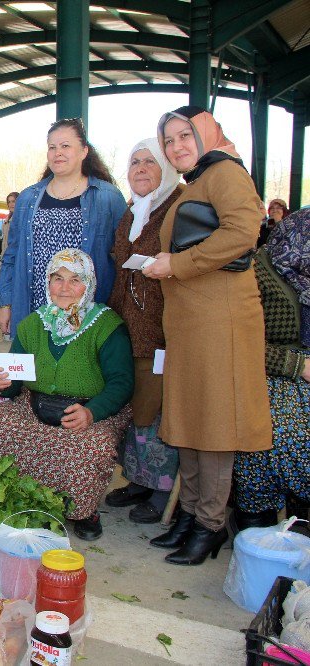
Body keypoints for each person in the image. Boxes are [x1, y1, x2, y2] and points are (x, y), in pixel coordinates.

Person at [142, 106, 271, 565]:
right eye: (169, 139)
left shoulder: (226, 173)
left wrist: (175, 264)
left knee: (216, 421)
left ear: (206, 135)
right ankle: (191, 514)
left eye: (184, 135)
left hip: (222, 320)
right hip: (194, 321)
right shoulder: (197, 181)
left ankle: (210, 524)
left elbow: (243, 231)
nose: (177, 146)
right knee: (192, 417)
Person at [0, 249, 134, 540]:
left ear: (89, 284)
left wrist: (91, 412)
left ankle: (83, 510)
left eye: (75, 280)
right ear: (48, 282)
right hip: (35, 406)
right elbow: (16, 378)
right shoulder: (34, 323)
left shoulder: (106, 326)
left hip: (87, 412)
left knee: (92, 445)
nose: (65, 288)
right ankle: (6, 493)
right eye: (58, 279)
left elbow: (121, 383)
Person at [103, 138, 184, 524]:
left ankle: (160, 487)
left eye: (149, 161)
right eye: (134, 162)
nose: (140, 168)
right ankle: (136, 479)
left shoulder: (177, 206)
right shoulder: (131, 211)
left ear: (166, 166)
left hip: (163, 328)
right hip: (127, 325)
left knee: (158, 407)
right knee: (133, 403)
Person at [0, 118, 126, 336]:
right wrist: (4, 303)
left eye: (66, 146)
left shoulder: (108, 197)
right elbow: (12, 255)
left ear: (84, 151)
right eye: (52, 147)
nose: (58, 153)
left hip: (86, 313)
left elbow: (123, 256)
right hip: (33, 308)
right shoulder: (28, 197)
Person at [232, 212, 310, 530]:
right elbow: (240, 340)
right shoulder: (261, 271)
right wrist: (298, 365)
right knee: (274, 433)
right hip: (273, 370)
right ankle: (258, 519)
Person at [1, 191, 19, 256]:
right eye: (9, 202)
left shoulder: (22, 220)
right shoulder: (6, 221)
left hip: (16, 257)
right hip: (6, 257)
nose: (11, 204)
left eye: (13, 201)